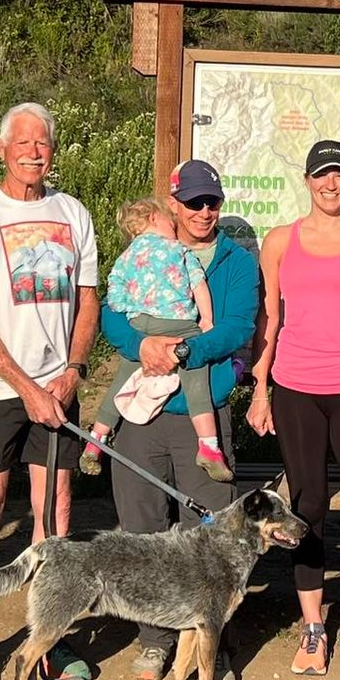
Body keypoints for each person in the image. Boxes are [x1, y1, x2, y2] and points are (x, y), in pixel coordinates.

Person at [0, 102, 97, 680]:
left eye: (43, 143)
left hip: (57, 385)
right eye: (23, 143)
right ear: (2, 149)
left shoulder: (73, 214)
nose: (34, 152)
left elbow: (87, 299)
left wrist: (73, 370)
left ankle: (48, 637)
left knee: (54, 509)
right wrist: (25, 387)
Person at [245, 140, 340, 678]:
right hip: (295, 387)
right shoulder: (281, 241)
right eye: (321, 175)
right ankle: (313, 628)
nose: (330, 184)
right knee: (306, 510)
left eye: (339, 175)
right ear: (307, 181)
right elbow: (269, 319)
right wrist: (260, 387)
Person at [100, 159, 258, 680]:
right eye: (194, 203)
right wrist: (142, 344)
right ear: (174, 203)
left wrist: (183, 349)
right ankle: (154, 640)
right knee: (143, 531)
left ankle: (217, 650)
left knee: (211, 536)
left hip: (202, 415)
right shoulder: (141, 249)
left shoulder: (236, 262)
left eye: (213, 202)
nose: (205, 212)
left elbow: (236, 327)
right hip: (141, 414)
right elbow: (110, 315)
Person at [82, 197, 226, 481]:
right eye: (169, 221)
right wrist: (206, 320)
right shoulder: (179, 249)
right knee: (196, 380)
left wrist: (134, 314)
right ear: (153, 219)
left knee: (122, 380)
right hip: (180, 324)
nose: (174, 226)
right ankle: (209, 447)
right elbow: (198, 284)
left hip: (142, 324)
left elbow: (115, 295)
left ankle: (95, 440)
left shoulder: (126, 257)